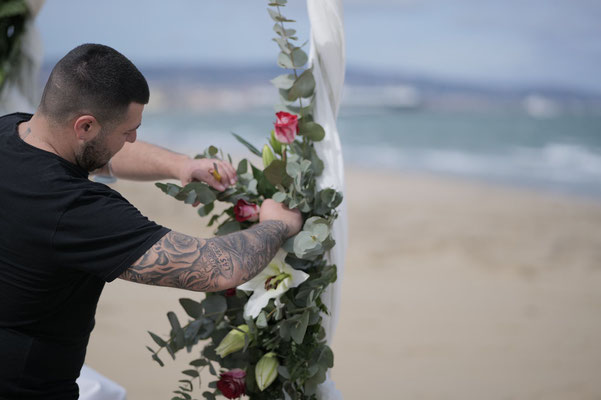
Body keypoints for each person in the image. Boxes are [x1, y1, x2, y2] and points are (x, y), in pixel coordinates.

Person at [0, 43, 302, 399]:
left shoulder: (13, 129)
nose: (133, 139)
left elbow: (95, 157)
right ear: (84, 126)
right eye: (127, 131)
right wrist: (278, 224)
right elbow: (219, 268)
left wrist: (181, 166)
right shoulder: (73, 209)